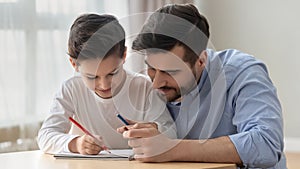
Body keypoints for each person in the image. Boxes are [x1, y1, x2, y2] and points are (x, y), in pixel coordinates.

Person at [117, 3, 286, 169]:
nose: (156, 83)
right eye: (152, 68)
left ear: (201, 61)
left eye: (171, 72)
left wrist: (171, 148)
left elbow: (267, 144)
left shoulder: (242, 72)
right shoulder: (148, 88)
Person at [37, 13, 176, 155]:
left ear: (124, 55)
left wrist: (154, 129)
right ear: (74, 64)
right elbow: (45, 136)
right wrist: (76, 144)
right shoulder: (71, 89)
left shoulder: (144, 87)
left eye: (112, 73)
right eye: (92, 77)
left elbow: (172, 132)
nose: (104, 85)